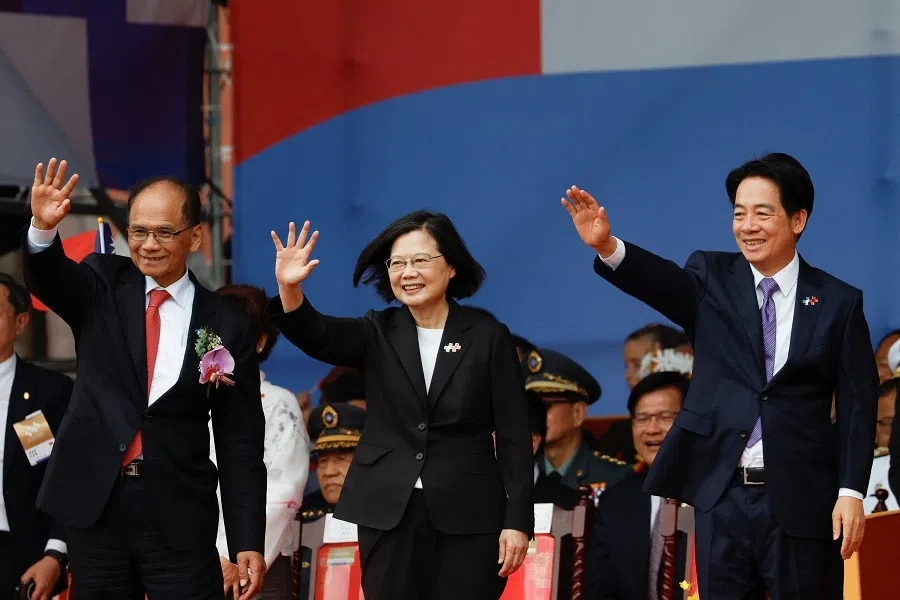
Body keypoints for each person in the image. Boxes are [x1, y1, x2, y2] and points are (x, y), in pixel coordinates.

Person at [562, 152, 878, 599]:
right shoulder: (712, 276)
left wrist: (851, 491)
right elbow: (663, 282)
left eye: (762, 213)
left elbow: (857, 405)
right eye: (739, 213)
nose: (748, 225)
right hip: (722, 494)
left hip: (803, 498)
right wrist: (608, 246)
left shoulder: (837, 302)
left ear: (798, 219)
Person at [22, 158, 267, 599]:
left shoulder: (226, 324)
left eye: (163, 232)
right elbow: (49, 279)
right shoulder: (101, 283)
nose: (148, 245)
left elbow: (240, 441)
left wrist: (246, 539)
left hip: (178, 514)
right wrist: (42, 227)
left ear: (194, 235)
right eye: (138, 231)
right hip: (97, 506)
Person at [266, 212, 533, 600]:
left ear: (452, 266)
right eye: (398, 263)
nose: (408, 272)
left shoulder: (487, 336)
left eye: (421, 260)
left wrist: (518, 520)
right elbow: (320, 335)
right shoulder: (377, 330)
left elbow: (513, 434)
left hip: (471, 513)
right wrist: (289, 289)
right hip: (388, 508)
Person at [213, 284, 310, 600]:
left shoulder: (279, 403)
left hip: (253, 568)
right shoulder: (187, 401)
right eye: (213, 334)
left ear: (259, 341)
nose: (220, 345)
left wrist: (232, 557)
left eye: (232, 334)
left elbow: (283, 491)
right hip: (190, 562)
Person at [586, 370, 689, 600]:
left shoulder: (717, 496)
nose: (652, 429)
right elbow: (599, 588)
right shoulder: (615, 500)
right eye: (642, 418)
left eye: (665, 417)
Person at [0, 273, 72, 600]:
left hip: (21, 558)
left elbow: (60, 477)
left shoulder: (45, 394)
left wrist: (54, 555)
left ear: (21, 322)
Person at [525, 348, 631, 509]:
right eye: (530, 408)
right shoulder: (522, 475)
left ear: (578, 413)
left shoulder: (615, 477)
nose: (535, 416)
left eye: (544, 407)